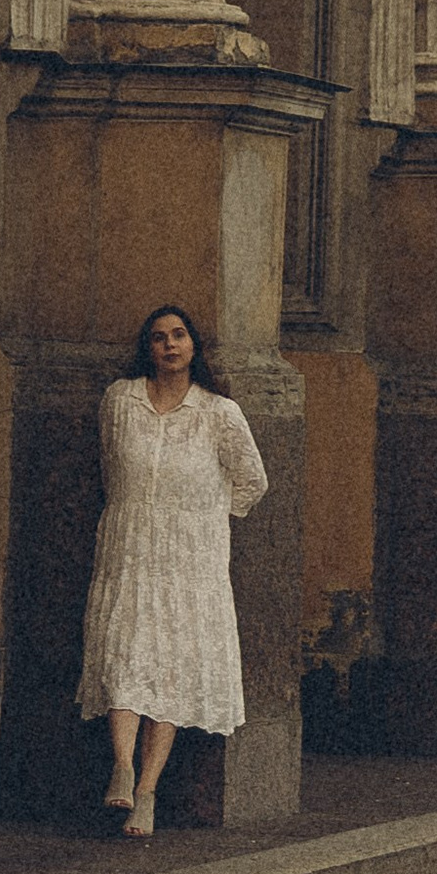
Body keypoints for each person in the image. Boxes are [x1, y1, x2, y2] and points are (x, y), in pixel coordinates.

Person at [77, 302, 267, 836]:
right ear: (148, 348)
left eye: (179, 335)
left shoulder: (219, 412)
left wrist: (202, 516)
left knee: (171, 670)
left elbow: (253, 481)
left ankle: (147, 793)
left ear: (193, 346)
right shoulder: (120, 400)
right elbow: (110, 466)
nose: (169, 345)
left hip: (190, 560)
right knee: (123, 653)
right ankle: (121, 763)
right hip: (130, 550)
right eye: (159, 337)